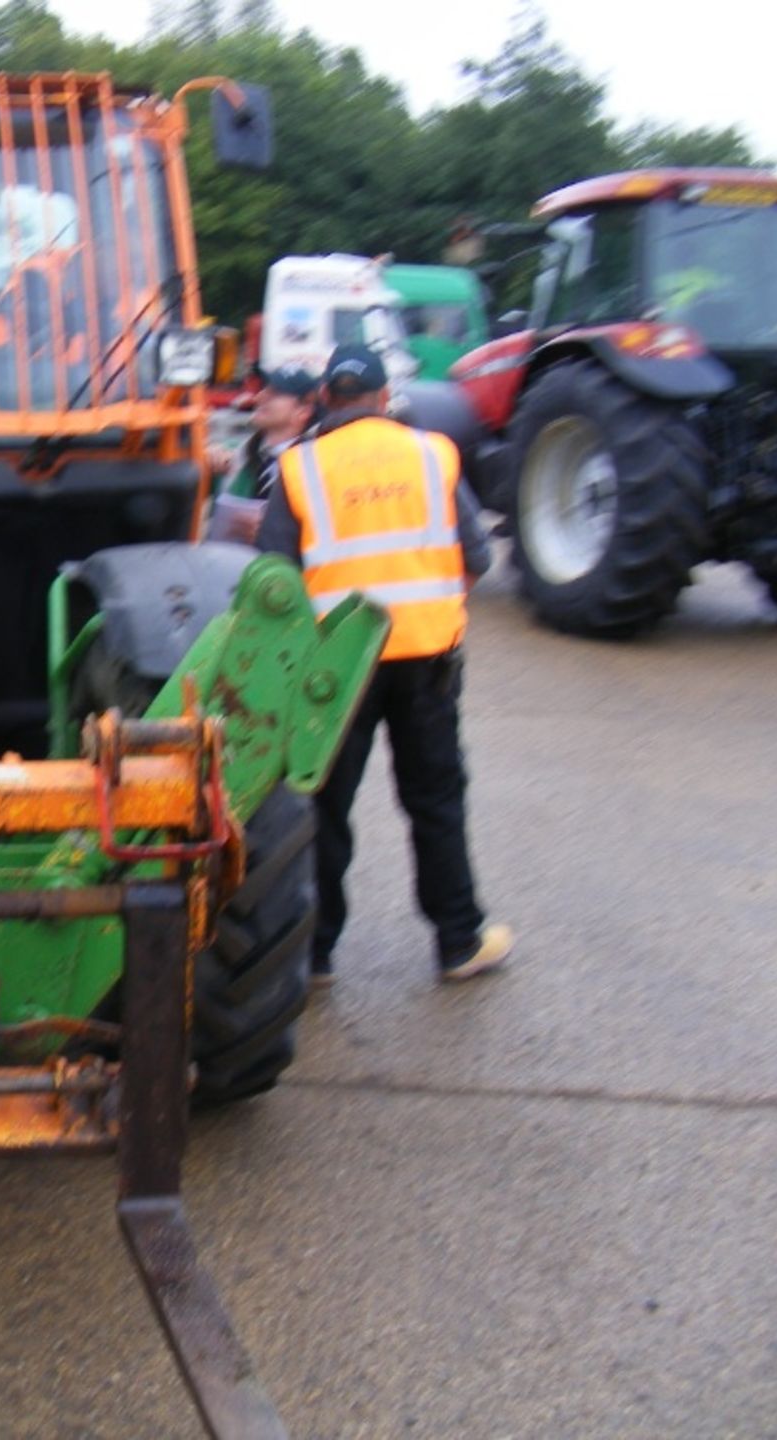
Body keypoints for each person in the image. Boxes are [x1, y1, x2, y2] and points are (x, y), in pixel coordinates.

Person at [255, 343, 513, 987]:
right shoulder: (432, 454)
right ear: (381, 397)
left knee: (320, 807)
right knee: (435, 801)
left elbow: (272, 581)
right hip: (426, 655)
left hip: (333, 669)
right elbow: (476, 558)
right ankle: (458, 942)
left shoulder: (298, 469)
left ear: (326, 401)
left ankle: (312, 955)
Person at [204, 363, 318, 544]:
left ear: (303, 411)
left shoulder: (315, 467)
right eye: (264, 390)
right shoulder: (232, 454)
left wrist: (271, 532)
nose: (260, 397)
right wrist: (204, 458)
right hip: (224, 565)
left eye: (275, 394)